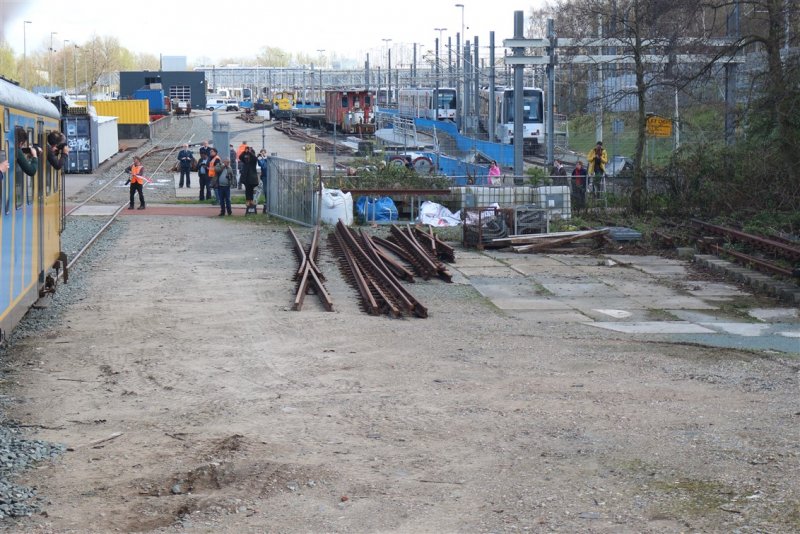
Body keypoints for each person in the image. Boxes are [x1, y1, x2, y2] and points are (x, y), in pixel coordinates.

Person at [239, 146, 260, 215]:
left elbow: (254, 158)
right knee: (247, 190)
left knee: (251, 191)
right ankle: (249, 202)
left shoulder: (253, 161)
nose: (247, 157)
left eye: (248, 155)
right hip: (246, 179)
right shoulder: (246, 162)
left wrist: (250, 152)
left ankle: (251, 202)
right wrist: (245, 151)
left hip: (252, 179)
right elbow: (240, 157)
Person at [257, 149, 269, 214]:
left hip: (268, 177)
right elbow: (261, 165)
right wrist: (259, 159)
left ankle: (267, 206)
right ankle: (266, 206)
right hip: (264, 177)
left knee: (267, 191)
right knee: (265, 191)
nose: (262, 154)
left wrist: (263, 158)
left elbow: (264, 166)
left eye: (263, 153)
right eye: (261, 153)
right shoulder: (262, 160)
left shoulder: (267, 159)